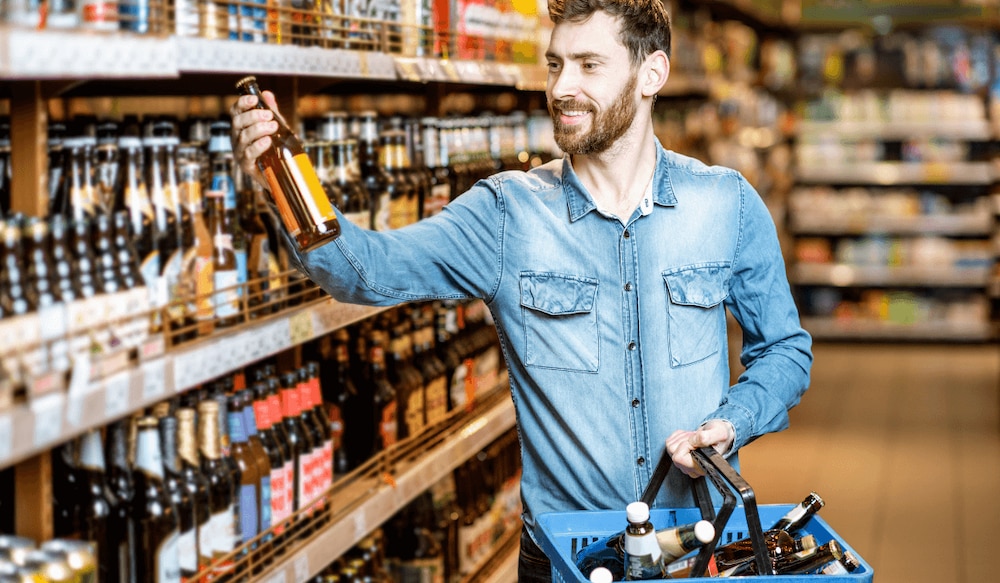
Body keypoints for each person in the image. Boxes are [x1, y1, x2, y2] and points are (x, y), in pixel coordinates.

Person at [230, 0, 812, 579]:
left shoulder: (725, 203)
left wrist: (730, 422)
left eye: (589, 65)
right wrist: (279, 178)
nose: (562, 87)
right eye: (555, 65)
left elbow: (785, 351)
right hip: (567, 561)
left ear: (651, 75)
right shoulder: (506, 215)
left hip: (698, 552)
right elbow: (361, 271)